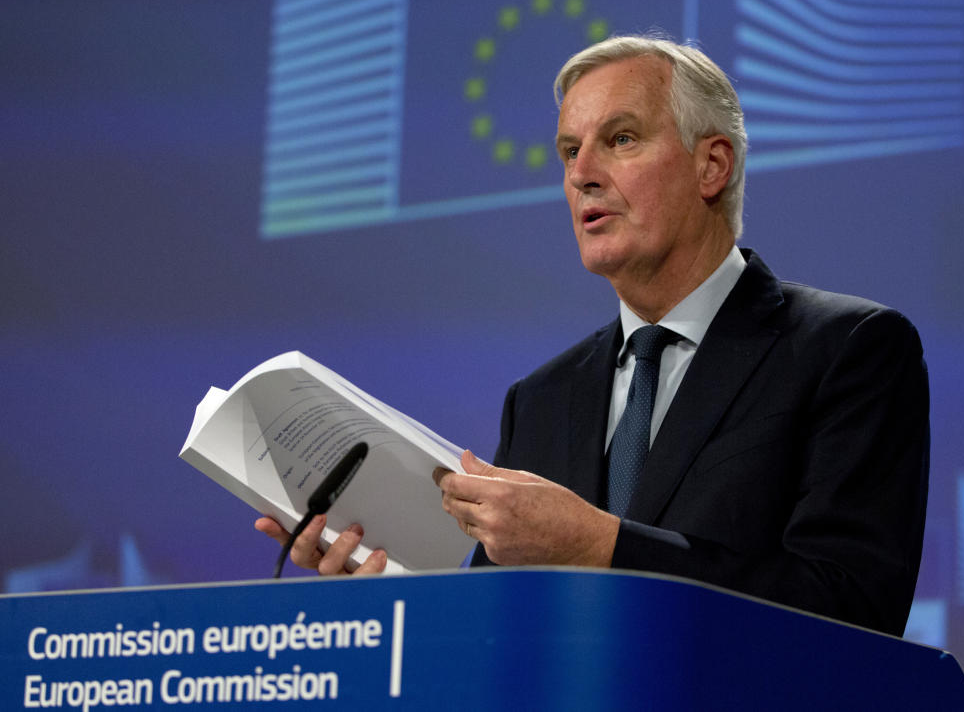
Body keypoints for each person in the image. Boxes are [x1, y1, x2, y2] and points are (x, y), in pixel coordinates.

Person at [257, 34, 929, 637]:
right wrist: (393, 606)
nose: (581, 174)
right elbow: (510, 642)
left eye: (622, 139)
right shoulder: (544, 399)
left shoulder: (850, 350)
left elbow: (852, 610)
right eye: (570, 150)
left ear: (711, 166)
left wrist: (601, 545)